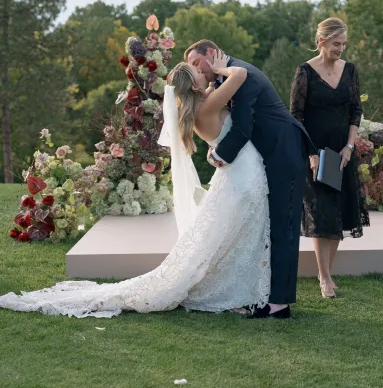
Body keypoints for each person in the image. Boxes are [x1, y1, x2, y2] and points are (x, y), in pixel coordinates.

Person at [0, 52, 272, 318]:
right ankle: (230, 293)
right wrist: (224, 68)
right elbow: (240, 74)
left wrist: (211, 82)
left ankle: (237, 291)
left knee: (231, 238)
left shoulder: (201, 108)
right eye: (201, 72)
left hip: (237, 177)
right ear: (194, 84)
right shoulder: (208, 106)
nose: (207, 71)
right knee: (236, 238)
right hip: (242, 178)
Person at [185, 40, 318, 319]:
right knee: (270, 227)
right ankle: (261, 293)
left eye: (197, 63)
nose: (197, 69)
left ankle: (279, 304)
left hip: (284, 152)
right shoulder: (227, 75)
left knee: (284, 226)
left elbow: (243, 127)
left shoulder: (240, 74)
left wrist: (219, 157)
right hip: (269, 157)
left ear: (212, 54)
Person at [290, 17, 370, 299]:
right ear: (321, 41)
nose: (341, 48)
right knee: (321, 212)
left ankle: (328, 273)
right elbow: (296, 117)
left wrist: (350, 146)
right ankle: (324, 278)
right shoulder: (305, 72)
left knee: (338, 213)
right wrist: (311, 153)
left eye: (344, 44)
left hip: (342, 155)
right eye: (336, 43)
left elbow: (355, 111)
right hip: (315, 154)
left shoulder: (350, 70)